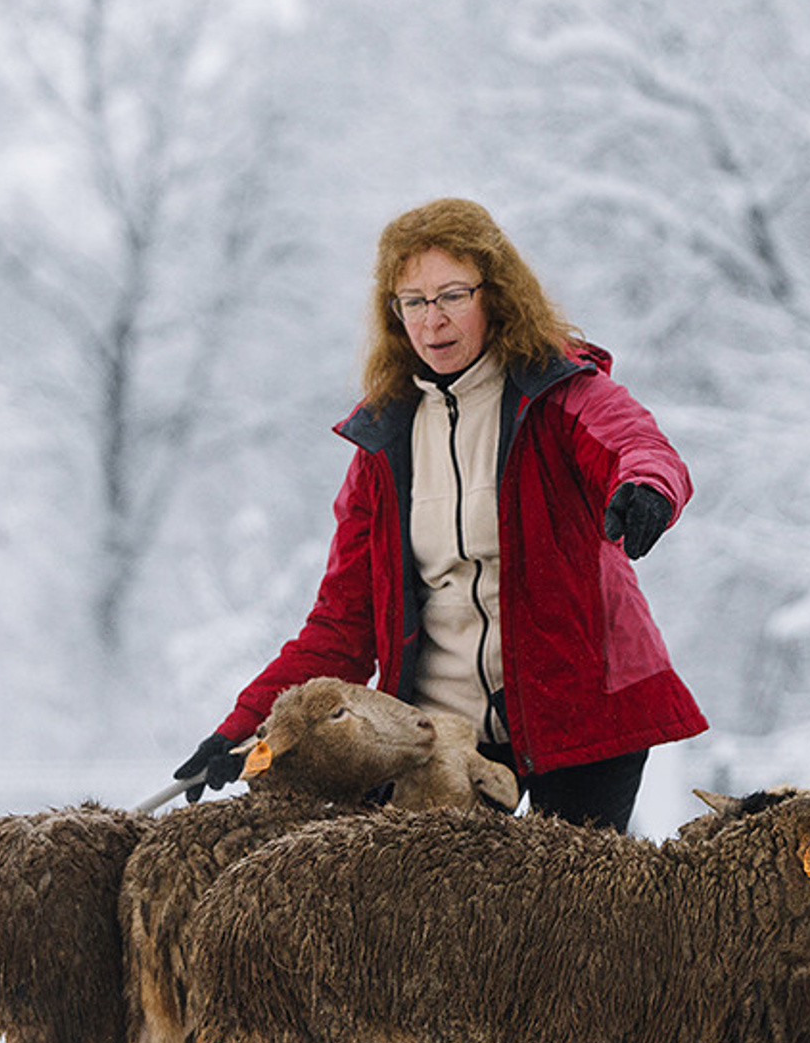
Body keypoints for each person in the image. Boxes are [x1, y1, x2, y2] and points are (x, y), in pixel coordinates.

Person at [173, 196, 706, 834]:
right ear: (393, 314)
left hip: (582, 712)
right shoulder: (383, 445)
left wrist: (647, 488)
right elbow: (341, 627)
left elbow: (638, 445)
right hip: (444, 735)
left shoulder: (562, 396)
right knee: (445, 926)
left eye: (453, 295)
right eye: (414, 301)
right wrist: (243, 727)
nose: (434, 320)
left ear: (497, 296)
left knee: (576, 922)